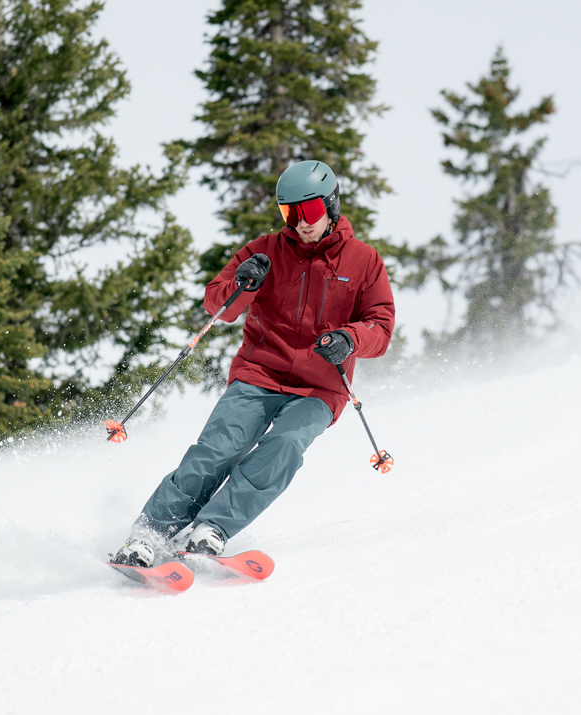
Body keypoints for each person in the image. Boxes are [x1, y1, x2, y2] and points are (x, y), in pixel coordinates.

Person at [112, 160, 395, 566]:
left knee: (285, 446)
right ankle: (149, 532)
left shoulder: (363, 261)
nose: (301, 223)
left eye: (310, 211)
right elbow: (217, 305)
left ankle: (214, 527)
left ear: (331, 206)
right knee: (217, 449)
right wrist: (243, 282)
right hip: (258, 374)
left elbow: (380, 328)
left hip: (318, 389)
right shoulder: (265, 251)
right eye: (290, 213)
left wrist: (351, 339)